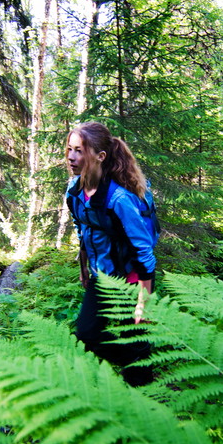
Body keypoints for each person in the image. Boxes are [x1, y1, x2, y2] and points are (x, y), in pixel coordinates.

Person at [65, 122, 157, 386]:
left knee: (136, 343)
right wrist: (84, 267)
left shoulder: (119, 200)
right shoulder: (75, 191)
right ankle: (131, 364)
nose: (72, 157)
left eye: (80, 151)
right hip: (102, 276)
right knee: (87, 335)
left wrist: (143, 301)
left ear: (100, 156)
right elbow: (82, 230)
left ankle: (144, 399)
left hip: (132, 280)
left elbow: (144, 252)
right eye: (70, 149)